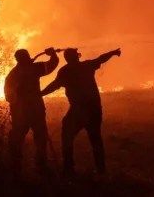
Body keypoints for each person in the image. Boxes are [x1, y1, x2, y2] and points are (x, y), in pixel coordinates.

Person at [40, 47, 121, 177]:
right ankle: (101, 170)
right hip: (94, 109)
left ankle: (69, 169)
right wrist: (113, 53)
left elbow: (55, 85)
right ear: (77, 56)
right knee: (96, 139)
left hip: (78, 110)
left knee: (67, 136)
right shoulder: (87, 66)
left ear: (66, 58)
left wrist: (40, 93)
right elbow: (101, 58)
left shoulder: (65, 71)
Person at [4, 47, 59, 176]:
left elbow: (8, 96)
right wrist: (53, 54)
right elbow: (52, 65)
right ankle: (41, 167)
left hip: (20, 114)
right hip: (35, 111)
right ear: (26, 58)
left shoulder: (12, 75)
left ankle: (16, 168)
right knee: (40, 138)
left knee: (17, 139)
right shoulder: (34, 69)